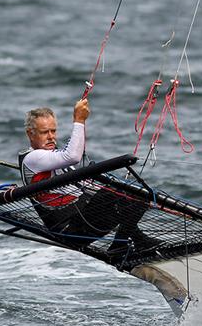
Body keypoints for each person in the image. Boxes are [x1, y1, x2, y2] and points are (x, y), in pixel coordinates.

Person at [20, 99, 151, 253]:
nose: (51, 137)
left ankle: (138, 239)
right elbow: (72, 156)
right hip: (70, 231)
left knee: (128, 194)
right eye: (44, 132)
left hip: (82, 222)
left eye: (53, 131)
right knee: (137, 196)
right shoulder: (33, 158)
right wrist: (79, 120)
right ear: (30, 134)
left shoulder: (51, 157)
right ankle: (119, 247)